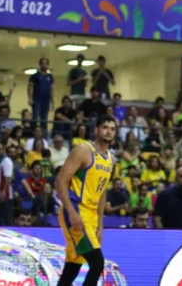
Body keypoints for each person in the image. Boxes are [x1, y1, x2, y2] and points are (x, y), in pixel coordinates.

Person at [55, 116, 116, 286]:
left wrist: (100, 224)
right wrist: (71, 212)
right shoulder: (83, 150)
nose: (108, 131)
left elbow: (102, 192)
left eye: (112, 128)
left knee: (73, 265)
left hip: (91, 215)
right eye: (105, 127)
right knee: (97, 264)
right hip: (75, 210)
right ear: (96, 130)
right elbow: (60, 181)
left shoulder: (111, 158)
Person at [28, 57, 55, 134]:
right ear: (40, 64)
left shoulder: (50, 77)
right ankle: (32, 134)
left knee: (44, 120)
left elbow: (51, 90)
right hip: (37, 100)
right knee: (35, 118)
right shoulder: (35, 76)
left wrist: (52, 102)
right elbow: (30, 87)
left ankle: (44, 137)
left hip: (46, 101)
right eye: (43, 63)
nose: (44, 65)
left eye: (46, 63)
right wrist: (30, 98)